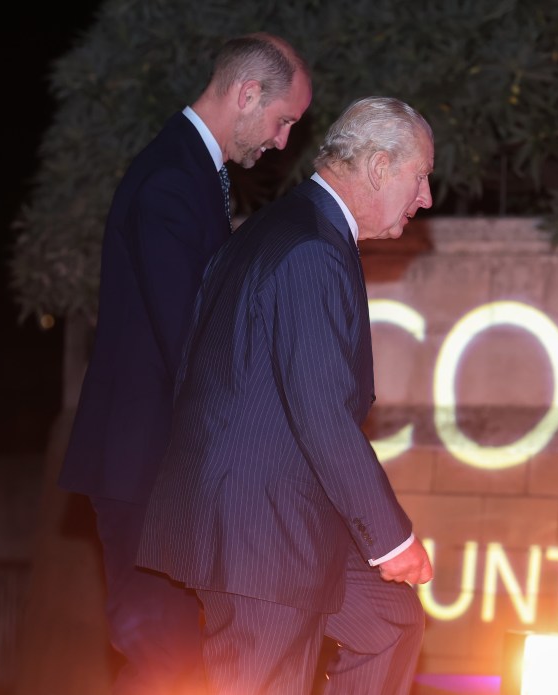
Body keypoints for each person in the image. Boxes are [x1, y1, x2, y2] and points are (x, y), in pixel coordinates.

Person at [136, 95, 435, 695]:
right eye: (421, 177)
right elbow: (322, 412)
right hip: (260, 531)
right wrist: (391, 536)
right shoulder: (311, 248)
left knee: (390, 622)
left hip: (278, 511)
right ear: (379, 166)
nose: (427, 198)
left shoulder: (287, 226)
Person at [58, 32, 312, 694]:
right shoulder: (175, 177)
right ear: (246, 93)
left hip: (153, 465)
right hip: (143, 465)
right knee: (161, 654)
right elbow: (189, 338)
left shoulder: (192, 170)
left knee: (166, 655)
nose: (283, 142)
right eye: (283, 121)